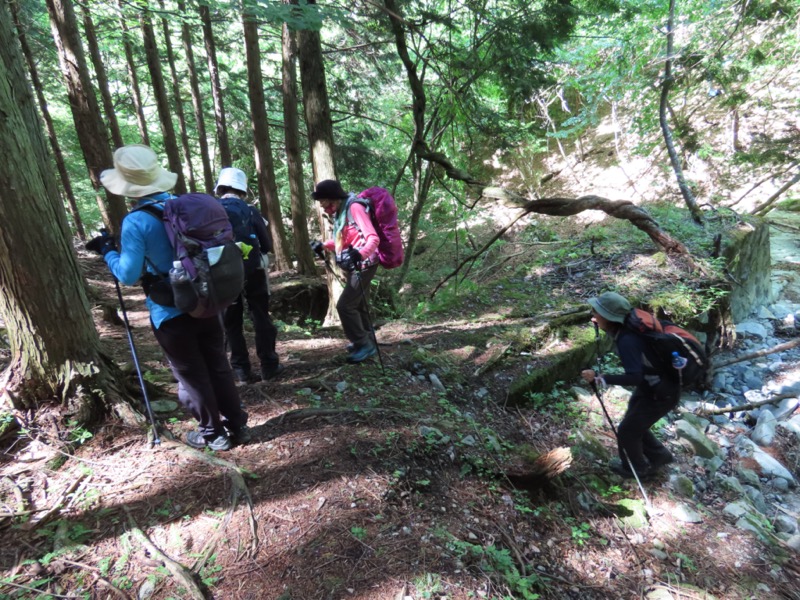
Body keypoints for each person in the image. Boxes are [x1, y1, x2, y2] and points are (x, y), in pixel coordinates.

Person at [85, 145, 249, 451]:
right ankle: (238, 424)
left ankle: (213, 435)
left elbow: (128, 275)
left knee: (191, 374)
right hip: (207, 300)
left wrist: (107, 250)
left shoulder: (137, 221)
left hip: (169, 311)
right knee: (218, 364)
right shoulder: (185, 207)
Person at [580, 291, 679, 479]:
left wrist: (600, 377)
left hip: (661, 392)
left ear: (610, 317)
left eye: (597, 312)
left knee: (627, 431)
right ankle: (660, 455)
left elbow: (634, 378)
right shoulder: (629, 329)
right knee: (633, 424)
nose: (593, 316)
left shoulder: (628, 339)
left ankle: (637, 469)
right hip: (656, 386)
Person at [214, 167, 284, 383]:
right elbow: (266, 244)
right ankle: (269, 366)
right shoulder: (250, 210)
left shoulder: (211, 209)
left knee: (231, 322)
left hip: (223, 272)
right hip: (252, 270)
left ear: (221, 187)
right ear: (242, 189)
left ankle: (241, 370)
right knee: (260, 315)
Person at [311, 179, 379, 363]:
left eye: (323, 202)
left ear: (333, 199)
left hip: (365, 264)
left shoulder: (354, 208)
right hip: (355, 264)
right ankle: (366, 339)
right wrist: (324, 245)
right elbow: (345, 240)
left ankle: (364, 344)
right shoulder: (341, 212)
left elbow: (373, 238)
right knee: (357, 304)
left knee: (345, 306)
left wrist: (360, 254)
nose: (322, 207)